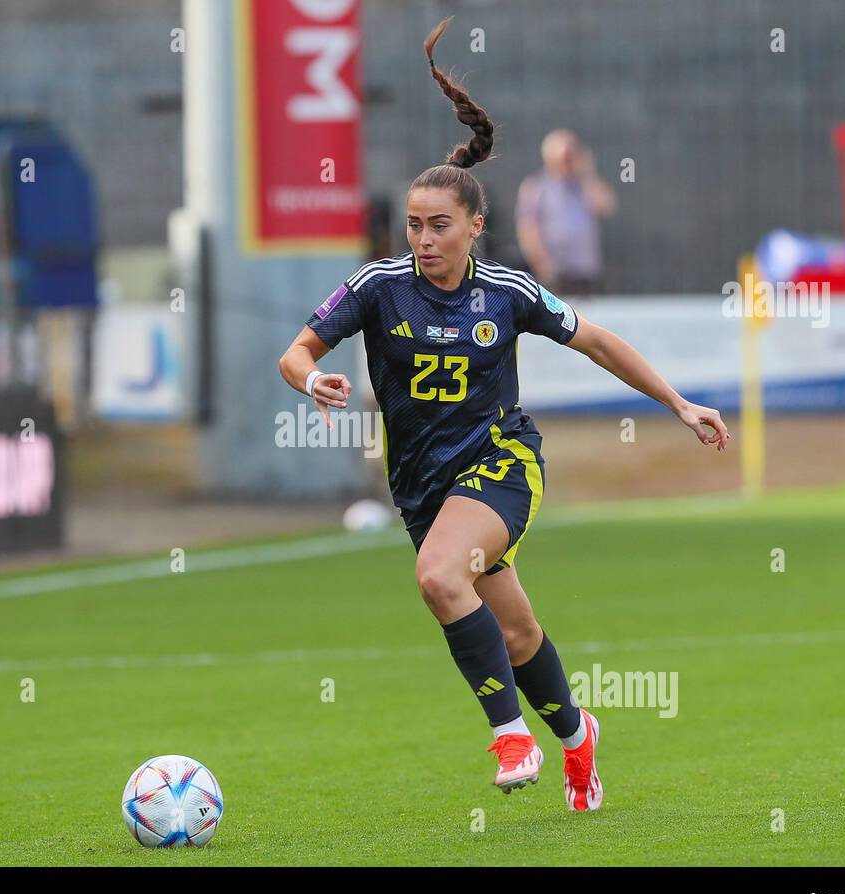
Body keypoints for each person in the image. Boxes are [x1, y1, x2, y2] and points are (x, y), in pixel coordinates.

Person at [277, 17, 729, 811]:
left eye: (439, 225)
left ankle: (507, 734)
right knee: (516, 634)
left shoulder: (508, 293)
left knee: (438, 576)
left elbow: (597, 342)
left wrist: (679, 402)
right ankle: (578, 736)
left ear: (476, 227)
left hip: (501, 464)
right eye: (414, 224)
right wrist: (311, 381)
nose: (422, 239)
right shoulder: (380, 285)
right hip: (421, 485)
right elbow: (295, 352)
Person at [516, 128, 615, 296]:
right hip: (555, 273)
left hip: (584, 270)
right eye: (565, 157)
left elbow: (606, 206)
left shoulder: (584, 185)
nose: (568, 163)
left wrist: (587, 173)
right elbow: (527, 228)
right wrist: (542, 263)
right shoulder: (536, 187)